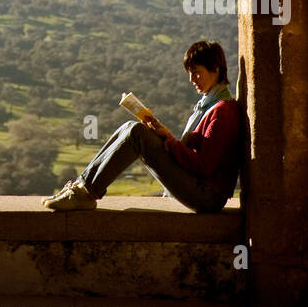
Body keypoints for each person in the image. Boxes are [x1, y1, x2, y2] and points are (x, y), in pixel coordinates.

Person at [43, 39, 241, 212]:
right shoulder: (209, 105)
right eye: (190, 73)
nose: (192, 79)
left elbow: (203, 166)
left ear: (216, 69)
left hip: (207, 196)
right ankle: (81, 186)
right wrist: (164, 135)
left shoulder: (222, 111)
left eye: (196, 73)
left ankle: (86, 193)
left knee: (137, 133)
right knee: (130, 126)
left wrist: (170, 142)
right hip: (199, 187)